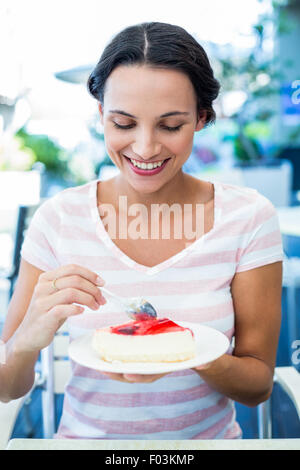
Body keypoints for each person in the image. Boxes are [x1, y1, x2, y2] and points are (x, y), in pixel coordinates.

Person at [0, 22, 283, 440]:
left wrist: (185, 349)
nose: (146, 147)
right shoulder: (59, 218)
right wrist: (26, 341)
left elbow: (257, 387)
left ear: (202, 118)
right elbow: (8, 386)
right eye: (124, 123)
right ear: (101, 116)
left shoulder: (248, 218)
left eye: (170, 126)